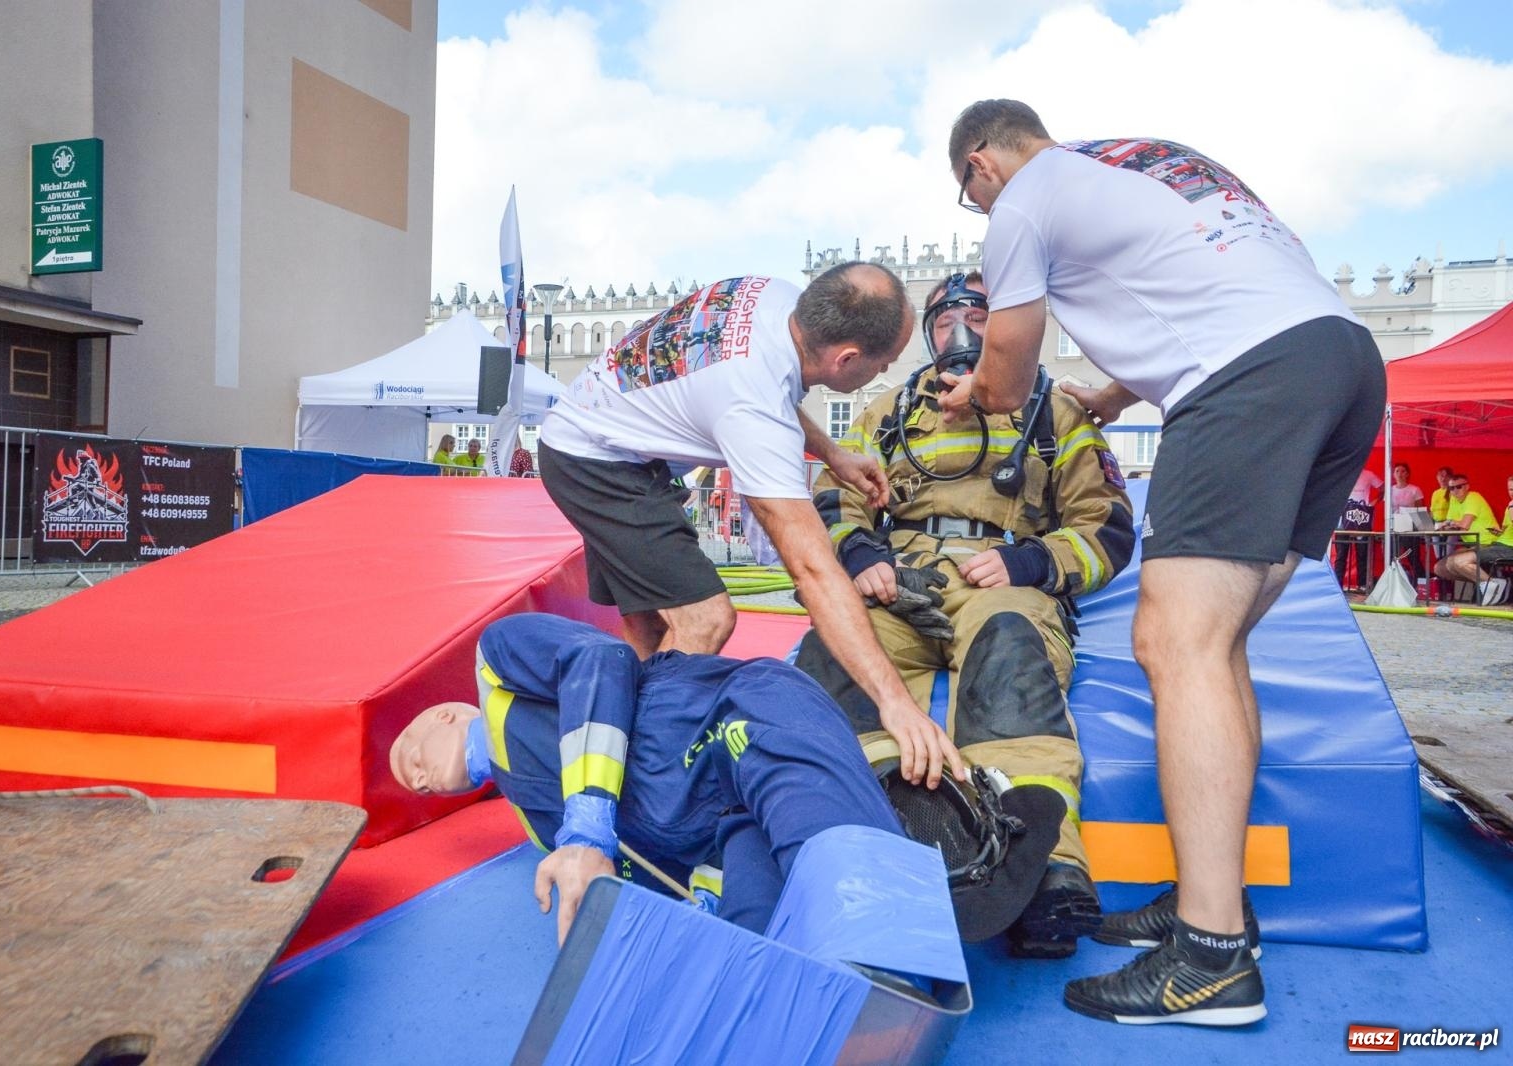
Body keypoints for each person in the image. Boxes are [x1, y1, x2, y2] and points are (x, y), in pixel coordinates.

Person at [941, 100, 1385, 1025]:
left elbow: (1008, 377)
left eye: (971, 200)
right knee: (1216, 651)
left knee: (1177, 646)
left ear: (982, 164)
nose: (985, 219)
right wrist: (1109, 393)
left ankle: (1212, 957)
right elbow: (1209, 287)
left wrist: (968, 396)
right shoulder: (1148, 161)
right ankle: (1209, 903)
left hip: (1243, 381)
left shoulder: (1022, 199)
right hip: (1339, 360)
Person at [795, 272, 1135, 959]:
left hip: (1002, 578)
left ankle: (1045, 871)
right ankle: (880, 838)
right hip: (901, 584)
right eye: (946, 319)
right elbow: (836, 494)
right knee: (836, 658)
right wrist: (861, 554)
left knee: (1010, 657)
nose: (961, 334)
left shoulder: (1055, 412)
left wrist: (1032, 565)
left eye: (978, 317)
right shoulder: (890, 413)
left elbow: (1108, 529)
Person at [537, 264, 967, 787]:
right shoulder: (753, 409)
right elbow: (814, 570)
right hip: (595, 459)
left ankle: (615, 737)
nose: (881, 377)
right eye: (883, 365)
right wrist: (895, 704)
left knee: (651, 626)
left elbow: (776, 387)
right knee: (705, 620)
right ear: (847, 359)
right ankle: (628, 773)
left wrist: (834, 453)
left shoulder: (776, 298)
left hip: (612, 433)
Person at [389, 613, 906, 943]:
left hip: (730, 719)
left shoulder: (496, 661)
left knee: (844, 889)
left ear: (445, 715)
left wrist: (588, 820)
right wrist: (699, 900)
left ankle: (882, 939)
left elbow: (599, 657)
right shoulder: (539, 822)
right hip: (726, 831)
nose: (414, 777)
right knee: (751, 960)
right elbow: (651, 866)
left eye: (408, 752)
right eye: (412, 782)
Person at [1434, 475, 1513, 604]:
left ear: (1467, 486)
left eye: (1458, 487)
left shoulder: (1474, 497)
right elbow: (1505, 528)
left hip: (1491, 544)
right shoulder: (1454, 500)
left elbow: (1464, 525)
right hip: (1497, 543)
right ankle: (1490, 582)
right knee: (1440, 568)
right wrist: (1499, 531)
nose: (1455, 491)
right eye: (1451, 488)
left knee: (1458, 562)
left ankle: (1492, 584)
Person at [1330, 469, 1382, 591]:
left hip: (1361, 517)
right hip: (1342, 519)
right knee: (1341, 553)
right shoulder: (1343, 471)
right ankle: (1337, 584)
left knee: (1362, 552)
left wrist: (1372, 503)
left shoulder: (1369, 474)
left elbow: (1383, 488)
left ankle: (1362, 584)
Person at [1386, 463, 1427, 580]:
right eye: (1397, 471)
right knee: (1392, 556)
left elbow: (1419, 510)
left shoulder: (1414, 489)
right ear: (1393, 474)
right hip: (1393, 526)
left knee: (1412, 557)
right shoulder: (1390, 490)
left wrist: (1420, 528)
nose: (1400, 474)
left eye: (1403, 471)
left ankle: (1421, 582)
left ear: (1407, 474)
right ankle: (1393, 581)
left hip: (1409, 527)